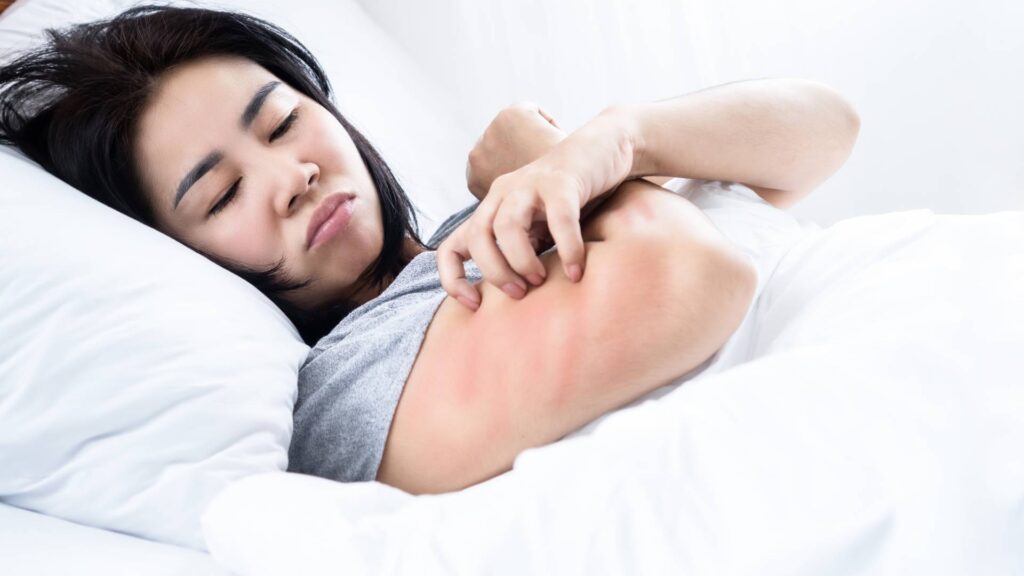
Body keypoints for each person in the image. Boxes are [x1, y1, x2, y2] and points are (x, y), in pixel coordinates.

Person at [0, 6, 859, 494]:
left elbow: (823, 135)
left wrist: (613, 141)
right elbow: (693, 280)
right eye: (221, 194)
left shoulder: (491, 218)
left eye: (283, 121)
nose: (291, 173)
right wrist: (546, 158)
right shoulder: (346, 395)